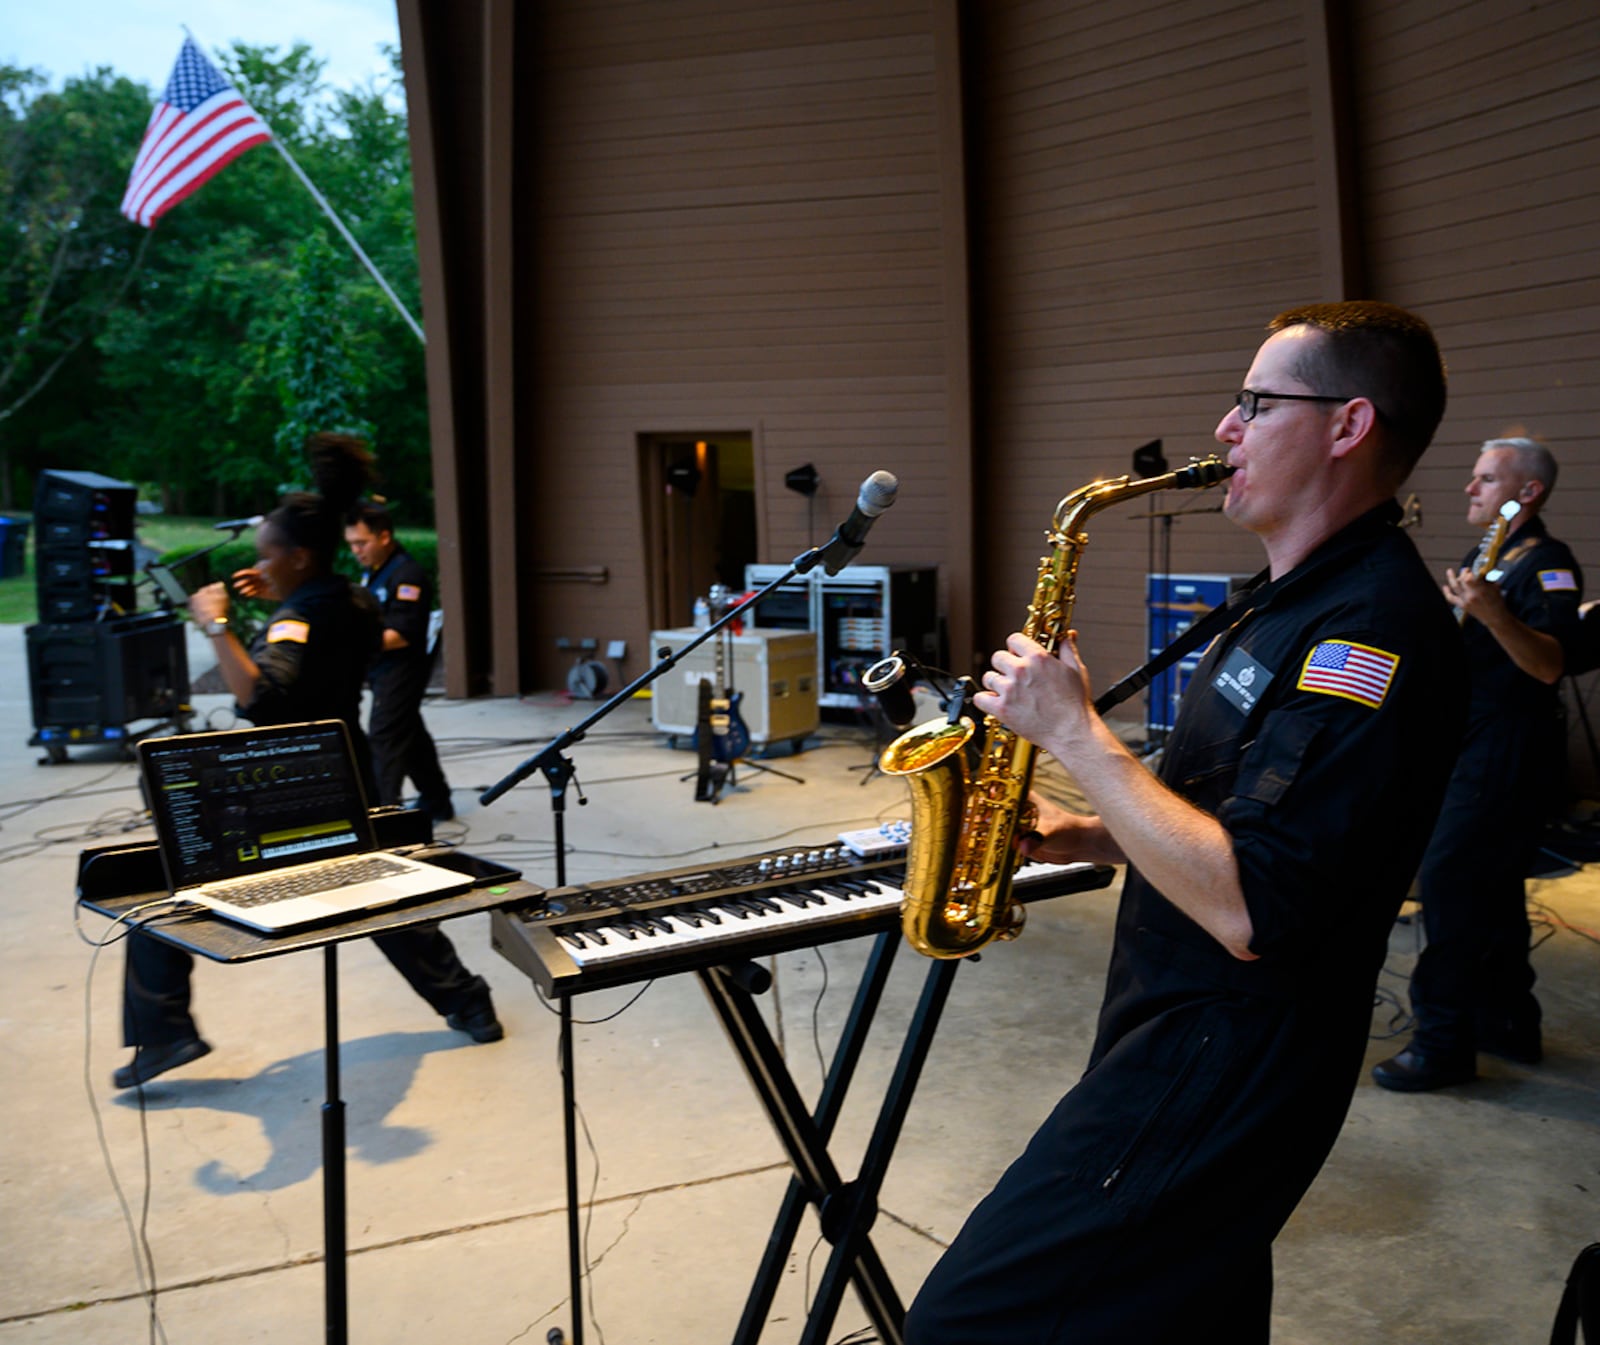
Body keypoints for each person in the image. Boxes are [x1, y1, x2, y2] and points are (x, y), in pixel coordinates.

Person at [902, 302, 1467, 1344]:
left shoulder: (1369, 635)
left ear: (1347, 426)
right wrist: (1089, 830)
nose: (1224, 426)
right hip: (1175, 1024)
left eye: (1257, 402)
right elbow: (1236, 813)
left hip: (1222, 1058)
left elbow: (1259, 904)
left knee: (962, 1324)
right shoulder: (1283, 600)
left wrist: (1077, 736)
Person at [115, 436, 502, 1091]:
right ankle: (467, 998)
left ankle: (164, 1031)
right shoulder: (352, 600)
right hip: (347, 768)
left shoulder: (299, 615)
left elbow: (264, 698)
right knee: (375, 894)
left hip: (285, 779)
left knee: (166, 886)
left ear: (296, 556)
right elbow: (317, 640)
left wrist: (217, 624)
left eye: (268, 555)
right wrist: (280, 594)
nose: (259, 565)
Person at [1372, 436, 1582, 1091]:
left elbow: (1548, 663)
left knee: (1452, 885)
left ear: (1528, 492)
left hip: (1508, 751)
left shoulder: (1549, 563)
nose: (1470, 488)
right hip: (1472, 740)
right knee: (1491, 891)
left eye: (1486, 479)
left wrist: (1491, 614)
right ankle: (1509, 1022)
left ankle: (1441, 1047)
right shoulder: (1486, 553)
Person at [344, 500, 454, 822]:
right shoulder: (375, 571)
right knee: (409, 732)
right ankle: (437, 799)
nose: (356, 551)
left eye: (361, 543)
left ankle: (383, 815)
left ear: (384, 537)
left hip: (402, 669)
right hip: (381, 668)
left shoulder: (407, 575)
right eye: (351, 544)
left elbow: (403, 634)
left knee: (384, 735)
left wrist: (349, 643)